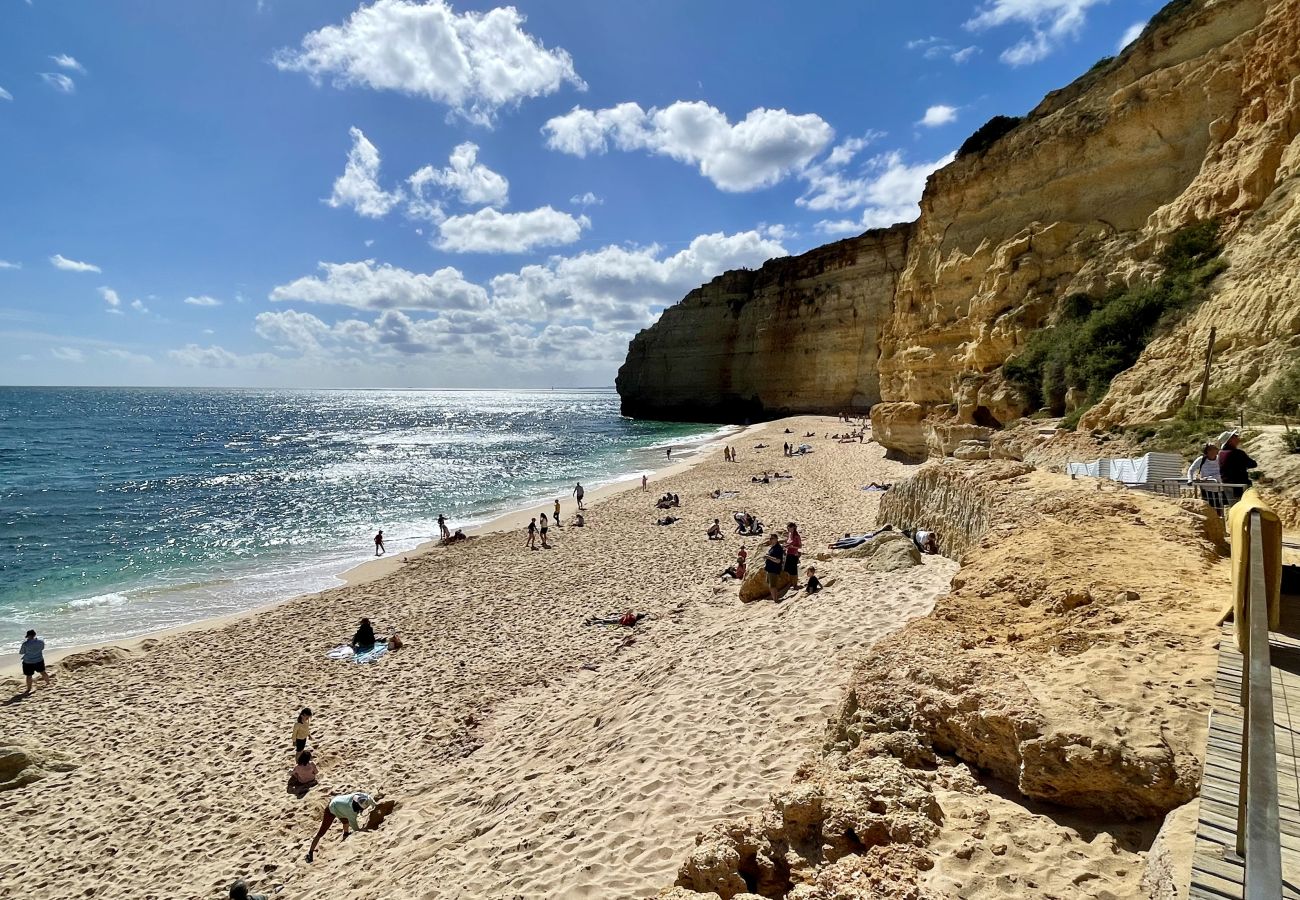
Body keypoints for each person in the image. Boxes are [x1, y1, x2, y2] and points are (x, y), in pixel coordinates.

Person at [307, 792, 376, 862]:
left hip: (340, 803)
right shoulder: (351, 811)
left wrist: (374, 805)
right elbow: (356, 828)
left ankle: (346, 833)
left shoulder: (361, 797)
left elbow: (370, 799)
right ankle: (310, 853)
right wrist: (363, 831)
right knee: (321, 832)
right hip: (331, 809)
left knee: (345, 820)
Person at [1216, 431, 1257, 498]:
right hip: (1239, 486)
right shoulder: (1237, 453)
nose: (1237, 437)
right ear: (1230, 440)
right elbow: (1253, 464)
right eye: (1235, 436)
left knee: (1233, 506)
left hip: (1226, 484)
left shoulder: (1221, 453)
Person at [19, 629, 49, 696]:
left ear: (28, 636)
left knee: (29, 676)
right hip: (39, 659)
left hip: (28, 661)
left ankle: (29, 689)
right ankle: (48, 683)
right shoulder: (41, 642)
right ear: (34, 635)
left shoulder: (25, 644)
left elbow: (21, 652)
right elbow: (42, 648)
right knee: (43, 672)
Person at [763, 534, 786, 602]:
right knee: (771, 585)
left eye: (772, 538)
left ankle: (775, 599)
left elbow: (778, 560)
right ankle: (775, 598)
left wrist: (768, 557)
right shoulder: (773, 547)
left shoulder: (778, 548)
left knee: (772, 586)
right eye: (770, 538)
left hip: (774, 569)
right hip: (770, 569)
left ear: (776, 539)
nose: (771, 540)